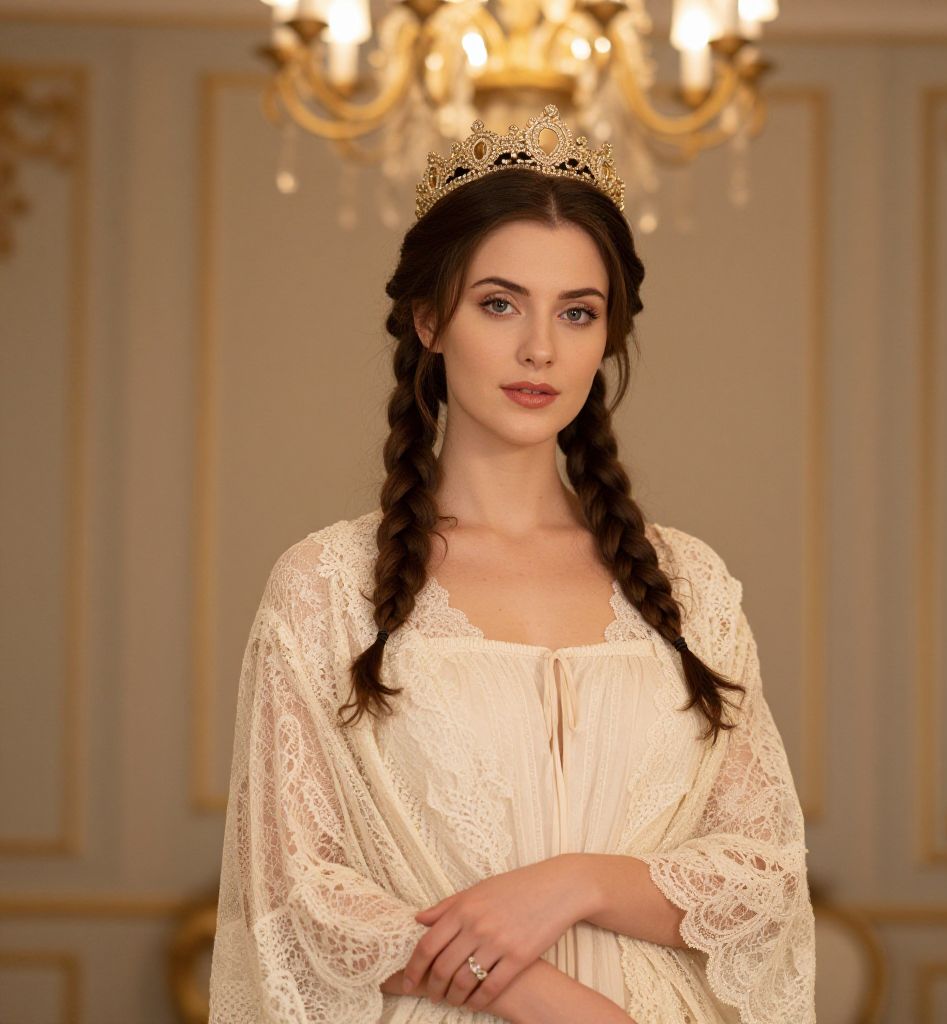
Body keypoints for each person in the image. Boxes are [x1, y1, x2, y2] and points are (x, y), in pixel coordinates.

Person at [208, 104, 816, 1023]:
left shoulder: (689, 586)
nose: (541, 348)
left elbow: (764, 871)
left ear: (605, 339)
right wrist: (539, 993)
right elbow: (297, 891)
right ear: (428, 319)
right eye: (500, 304)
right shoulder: (329, 586)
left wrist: (573, 884)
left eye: (578, 312)